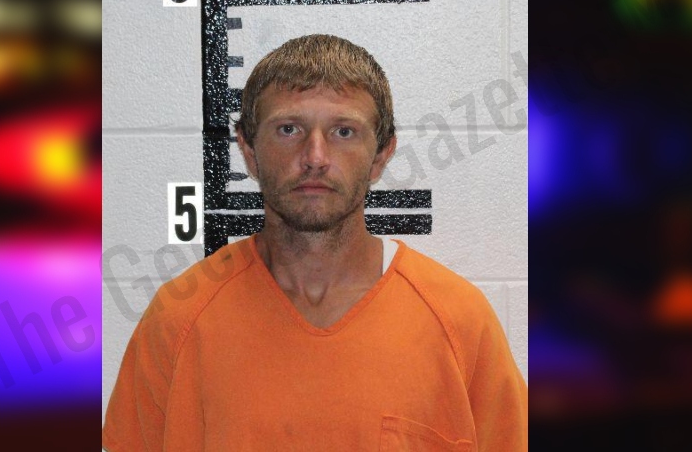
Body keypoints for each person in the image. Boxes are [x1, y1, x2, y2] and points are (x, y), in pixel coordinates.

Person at [102, 34, 527, 451]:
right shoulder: (178, 321)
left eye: (344, 131)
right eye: (289, 129)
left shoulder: (460, 323)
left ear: (381, 154)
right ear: (248, 150)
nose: (315, 157)